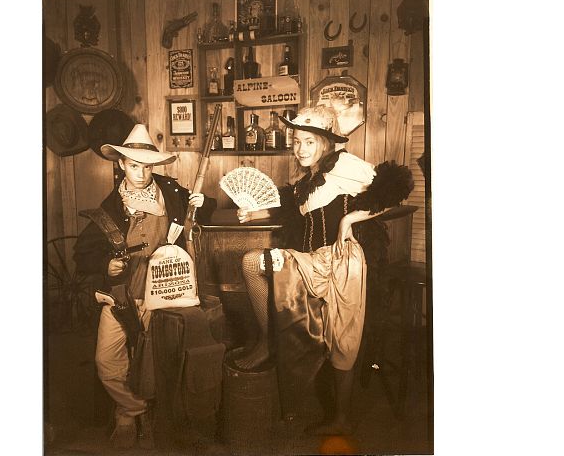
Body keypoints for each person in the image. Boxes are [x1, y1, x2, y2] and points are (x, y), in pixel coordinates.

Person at [234, 106, 413, 435]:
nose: (300, 149)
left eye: (309, 142)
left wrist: (350, 219)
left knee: (343, 338)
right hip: (311, 261)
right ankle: (270, 340)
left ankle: (341, 419)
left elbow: (396, 189)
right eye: (296, 141)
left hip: (344, 262)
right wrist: (253, 213)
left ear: (326, 143)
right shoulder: (307, 180)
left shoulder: (345, 165)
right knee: (252, 262)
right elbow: (289, 208)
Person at [73, 124, 215, 449]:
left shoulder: (172, 192)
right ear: (122, 164)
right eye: (134, 165)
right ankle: (132, 410)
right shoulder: (110, 207)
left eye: (147, 166)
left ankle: (146, 417)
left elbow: (201, 213)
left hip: (166, 291)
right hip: (121, 294)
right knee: (107, 362)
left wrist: (203, 202)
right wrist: (105, 266)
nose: (141, 173)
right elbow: (82, 254)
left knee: (154, 361)